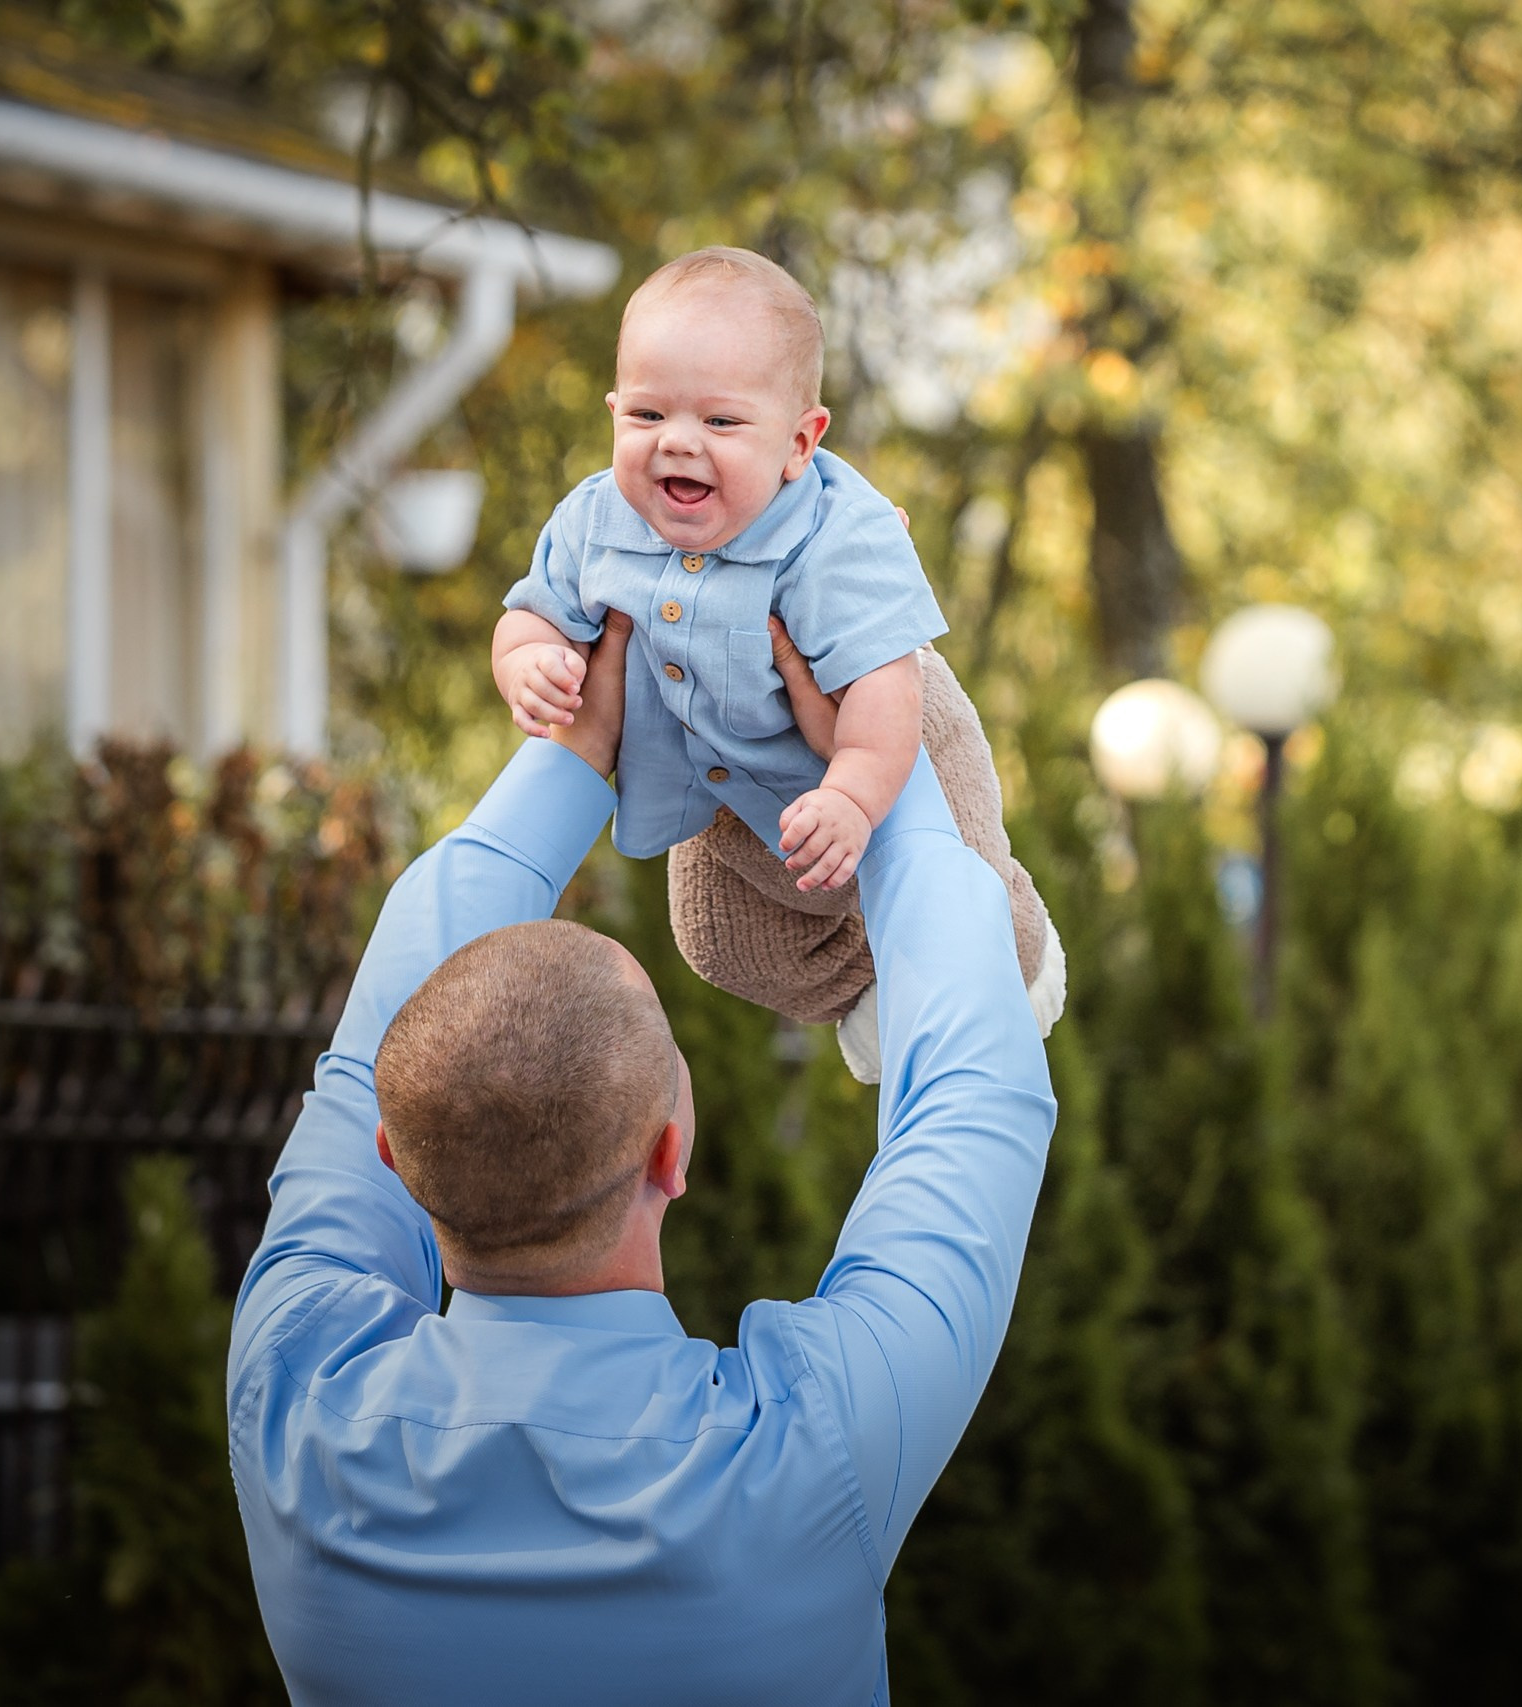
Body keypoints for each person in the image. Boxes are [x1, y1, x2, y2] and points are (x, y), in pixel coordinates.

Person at [227, 624, 1056, 1704]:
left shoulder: (294, 1404)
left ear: (393, 1156)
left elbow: (974, 1106)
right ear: (673, 1150)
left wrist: (577, 752)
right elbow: (975, 1098)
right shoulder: (806, 1457)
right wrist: (872, 743)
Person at [489, 244, 1060, 1075]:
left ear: (799, 442)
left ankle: (1012, 965)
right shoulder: (593, 522)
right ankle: (874, 995)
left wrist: (859, 796)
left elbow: (880, 689)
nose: (678, 443)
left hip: (894, 733)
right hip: (724, 789)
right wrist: (529, 661)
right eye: (648, 416)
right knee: (716, 943)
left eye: (720, 422)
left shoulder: (839, 532)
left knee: (957, 898)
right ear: (613, 412)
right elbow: (526, 614)